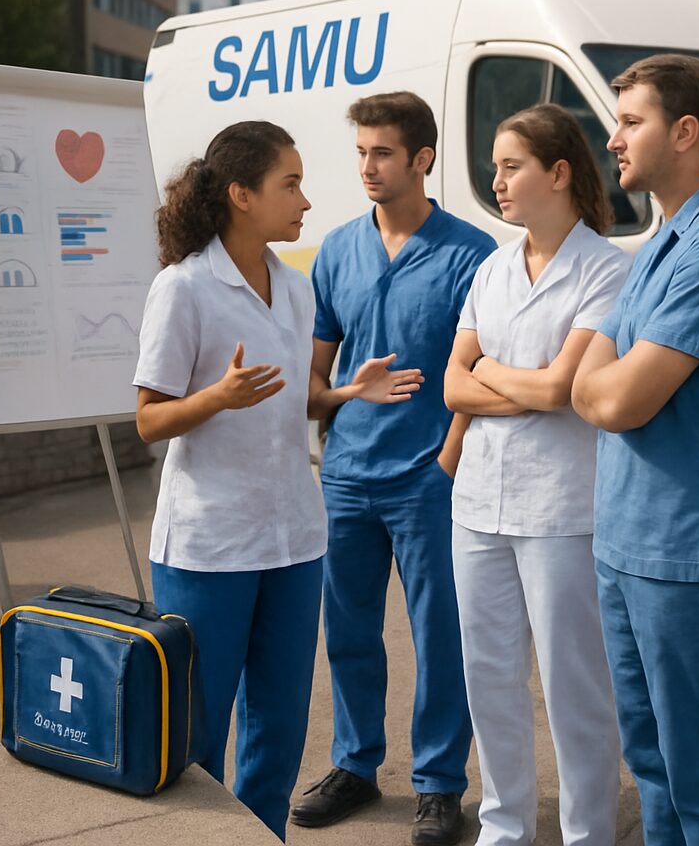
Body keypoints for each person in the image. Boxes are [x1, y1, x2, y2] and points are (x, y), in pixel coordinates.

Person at [292, 91, 493, 846]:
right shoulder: (337, 250)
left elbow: (484, 373)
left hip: (428, 479)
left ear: (421, 159)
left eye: (382, 152)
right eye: (361, 153)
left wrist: (446, 459)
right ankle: (354, 764)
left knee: (441, 634)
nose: (368, 167)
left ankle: (439, 785)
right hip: (347, 473)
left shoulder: (471, 253)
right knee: (347, 629)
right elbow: (314, 383)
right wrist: (346, 395)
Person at [571, 54, 699, 845]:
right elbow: (587, 384)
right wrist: (597, 383)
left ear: (684, 132)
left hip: (685, 551)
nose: (612, 140)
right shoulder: (658, 243)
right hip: (625, 542)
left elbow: (614, 398)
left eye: (630, 121)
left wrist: (598, 384)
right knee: (652, 768)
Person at [443, 104, 629, 846]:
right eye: (495, 166)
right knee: (488, 677)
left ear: (558, 173)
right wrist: (515, 381)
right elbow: (452, 387)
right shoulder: (491, 269)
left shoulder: (607, 270)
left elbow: (562, 389)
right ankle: (505, 828)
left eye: (510, 166)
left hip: (561, 508)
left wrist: (489, 369)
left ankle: (588, 834)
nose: (497, 180)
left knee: (573, 684)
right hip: (477, 504)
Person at [132, 121, 323, 841]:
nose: (304, 199)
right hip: (210, 545)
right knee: (199, 733)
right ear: (242, 194)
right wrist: (217, 396)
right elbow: (149, 420)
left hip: (295, 538)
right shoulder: (182, 288)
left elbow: (289, 402)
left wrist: (342, 393)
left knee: (280, 726)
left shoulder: (296, 289)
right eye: (290, 184)